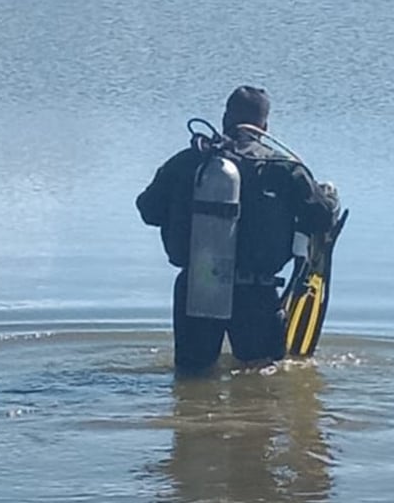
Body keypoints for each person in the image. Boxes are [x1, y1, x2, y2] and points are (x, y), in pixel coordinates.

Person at [136, 86, 339, 373]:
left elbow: (148, 210)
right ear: (264, 126)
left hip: (197, 286)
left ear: (224, 119)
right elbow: (322, 218)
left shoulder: (187, 161)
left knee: (192, 376)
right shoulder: (282, 168)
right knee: (261, 375)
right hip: (256, 293)